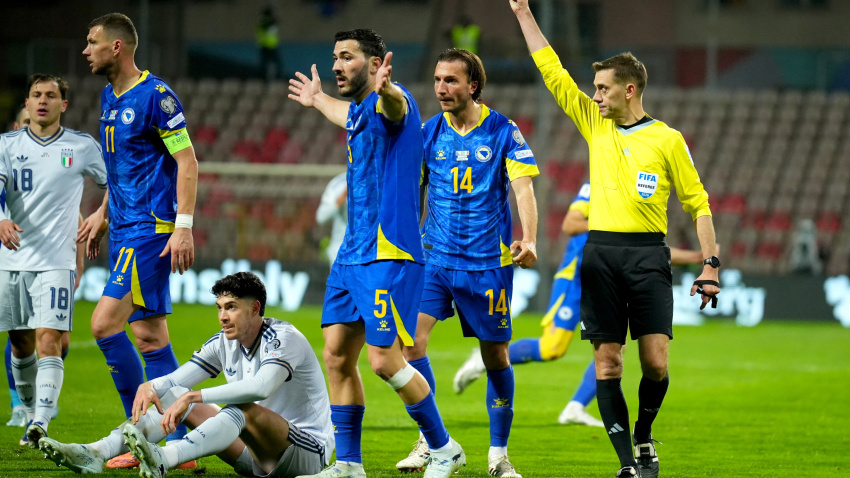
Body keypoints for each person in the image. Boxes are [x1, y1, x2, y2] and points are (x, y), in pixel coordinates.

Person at [509, 2, 721, 477]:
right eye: (594, 88)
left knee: (656, 364)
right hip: (600, 255)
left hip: (648, 256)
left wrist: (710, 263)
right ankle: (628, 464)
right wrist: (523, 13)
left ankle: (644, 433)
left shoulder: (667, 140)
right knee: (608, 364)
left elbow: (699, 202)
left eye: (603, 88)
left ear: (629, 90)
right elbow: (552, 71)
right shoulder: (594, 123)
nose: (595, 95)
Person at [288, 29, 465, 478]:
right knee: (336, 356)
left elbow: (394, 107)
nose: (336, 65)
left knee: (384, 360)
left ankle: (443, 448)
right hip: (351, 254)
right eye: (335, 57)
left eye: (347, 57)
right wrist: (317, 99)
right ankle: (349, 464)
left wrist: (387, 90)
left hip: (388, 253)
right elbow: (346, 114)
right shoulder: (358, 111)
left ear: (373, 64)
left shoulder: (394, 101)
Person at [454, 181, 710, 429]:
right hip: (575, 280)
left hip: (607, 279)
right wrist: (610, 225)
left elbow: (649, 248)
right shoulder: (596, 184)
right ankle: (485, 358)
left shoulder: (638, 194)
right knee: (552, 348)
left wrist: (698, 257)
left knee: (617, 346)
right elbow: (570, 224)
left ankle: (575, 408)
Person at [395, 48, 538, 478]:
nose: (441, 88)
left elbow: (523, 188)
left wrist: (529, 238)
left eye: (451, 80)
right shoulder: (428, 132)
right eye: (437, 79)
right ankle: (433, 442)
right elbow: (411, 194)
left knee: (495, 356)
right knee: (409, 344)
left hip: (486, 263)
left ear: (473, 85)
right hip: (434, 259)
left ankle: (498, 453)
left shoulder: (502, 131)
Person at [39, 272, 335, 478]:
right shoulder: (223, 342)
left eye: (231, 307)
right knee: (176, 395)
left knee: (242, 407)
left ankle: (164, 458)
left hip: (305, 455)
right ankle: (96, 452)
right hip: (254, 456)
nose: (222, 316)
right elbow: (176, 380)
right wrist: (152, 385)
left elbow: (261, 387)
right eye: (220, 308)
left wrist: (197, 396)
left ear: (255, 308)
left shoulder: (284, 338)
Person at [81, 12, 199, 469]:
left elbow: (187, 161)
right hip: (124, 229)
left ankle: (139, 435)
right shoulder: (109, 97)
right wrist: (103, 212)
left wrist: (183, 225)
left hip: (150, 232)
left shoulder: (156, 96)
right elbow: (122, 171)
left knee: (103, 325)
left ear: (116, 47)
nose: (85, 51)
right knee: (150, 339)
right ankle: (181, 447)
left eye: (92, 42)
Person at [0, 74, 108, 447]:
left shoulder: (82, 146)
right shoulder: (7, 144)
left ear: (64, 104)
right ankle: (29, 411)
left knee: (50, 339)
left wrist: (102, 215)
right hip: (12, 259)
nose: (42, 100)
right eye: (36, 94)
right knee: (20, 345)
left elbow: (117, 182)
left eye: (51, 95)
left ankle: (41, 423)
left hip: (56, 261)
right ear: (27, 103)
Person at [315, 172, 347, 266]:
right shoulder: (338, 183)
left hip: (371, 250)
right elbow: (321, 217)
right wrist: (343, 195)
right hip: (340, 251)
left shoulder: (378, 179)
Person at [256, 5, 281, 81]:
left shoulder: (269, 21)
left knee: (276, 63)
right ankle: (263, 78)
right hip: (265, 46)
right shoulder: (263, 21)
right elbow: (267, 24)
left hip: (272, 46)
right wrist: (273, 20)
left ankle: (277, 77)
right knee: (264, 64)